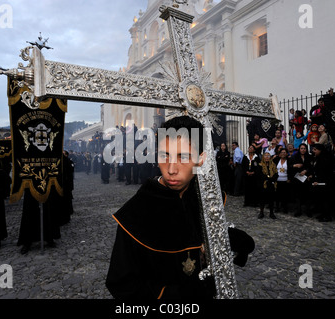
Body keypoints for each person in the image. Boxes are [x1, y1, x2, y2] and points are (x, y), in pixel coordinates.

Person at [106, 116, 255, 299]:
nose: (171, 169)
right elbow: (121, 283)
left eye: (183, 157)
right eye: (165, 155)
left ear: (200, 159)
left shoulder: (206, 198)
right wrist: (172, 296)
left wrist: (226, 238)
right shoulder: (137, 212)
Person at [308, 144, 334, 222]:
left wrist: (318, 180)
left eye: (315, 149)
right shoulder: (317, 158)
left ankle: (327, 216)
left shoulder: (325, 158)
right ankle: (323, 214)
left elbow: (324, 172)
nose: (313, 151)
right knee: (321, 199)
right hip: (319, 182)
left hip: (325, 182)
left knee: (325, 200)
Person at [289, 143, 312, 217]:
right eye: (301, 148)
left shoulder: (309, 157)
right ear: (299, 149)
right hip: (297, 178)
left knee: (307, 196)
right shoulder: (294, 156)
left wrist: (306, 171)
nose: (303, 150)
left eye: (304, 148)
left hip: (306, 178)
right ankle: (298, 210)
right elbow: (290, 166)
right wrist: (295, 166)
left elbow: (311, 167)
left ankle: (308, 211)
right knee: (297, 196)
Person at [257, 152, 278, 219]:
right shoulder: (260, 165)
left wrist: (272, 179)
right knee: (262, 199)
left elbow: (276, 173)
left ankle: (271, 213)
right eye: (265, 156)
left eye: (268, 156)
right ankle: (261, 212)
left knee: (271, 199)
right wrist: (267, 179)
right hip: (263, 184)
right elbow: (259, 174)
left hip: (271, 184)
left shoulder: (273, 165)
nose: (267, 157)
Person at [274, 148, 290, 214]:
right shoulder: (276, 160)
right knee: (277, 195)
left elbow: (291, 170)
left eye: (284, 152)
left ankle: (284, 208)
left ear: (286, 154)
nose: (283, 154)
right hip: (277, 180)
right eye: (282, 152)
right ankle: (277, 207)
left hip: (285, 180)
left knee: (285, 195)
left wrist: (289, 178)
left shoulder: (289, 160)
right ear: (279, 154)